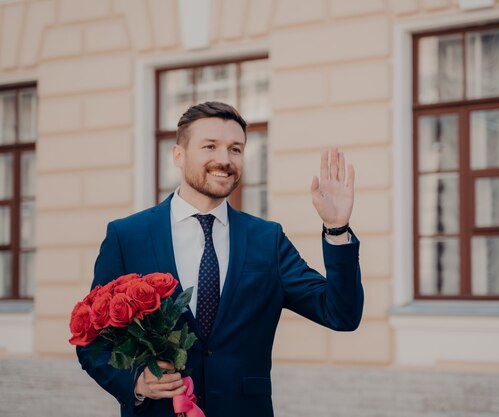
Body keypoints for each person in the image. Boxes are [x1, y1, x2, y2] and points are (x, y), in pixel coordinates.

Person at [77, 101, 364, 417]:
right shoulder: (126, 236)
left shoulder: (267, 239)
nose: (224, 160)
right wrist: (136, 382)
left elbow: (341, 314)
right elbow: (91, 339)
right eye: (210, 146)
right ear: (178, 155)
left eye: (236, 149)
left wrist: (337, 228)